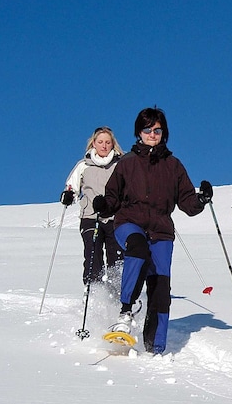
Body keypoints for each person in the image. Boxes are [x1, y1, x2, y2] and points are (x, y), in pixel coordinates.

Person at [92, 107, 212, 355]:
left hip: (161, 229)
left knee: (160, 286)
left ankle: (155, 347)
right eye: (147, 129)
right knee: (137, 247)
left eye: (157, 130)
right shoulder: (127, 163)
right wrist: (104, 206)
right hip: (129, 221)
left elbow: (187, 202)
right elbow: (112, 198)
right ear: (139, 132)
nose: (152, 134)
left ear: (163, 132)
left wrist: (201, 200)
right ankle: (125, 312)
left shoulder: (173, 166)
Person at [60, 126, 124, 285]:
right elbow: (71, 187)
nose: (104, 146)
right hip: (90, 216)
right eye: (100, 142)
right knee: (92, 254)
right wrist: (68, 195)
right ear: (93, 144)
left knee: (116, 256)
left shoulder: (120, 165)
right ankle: (93, 290)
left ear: (112, 144)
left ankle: (118, 292)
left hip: (114, 217)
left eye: (107, 142)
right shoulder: (84, 165)